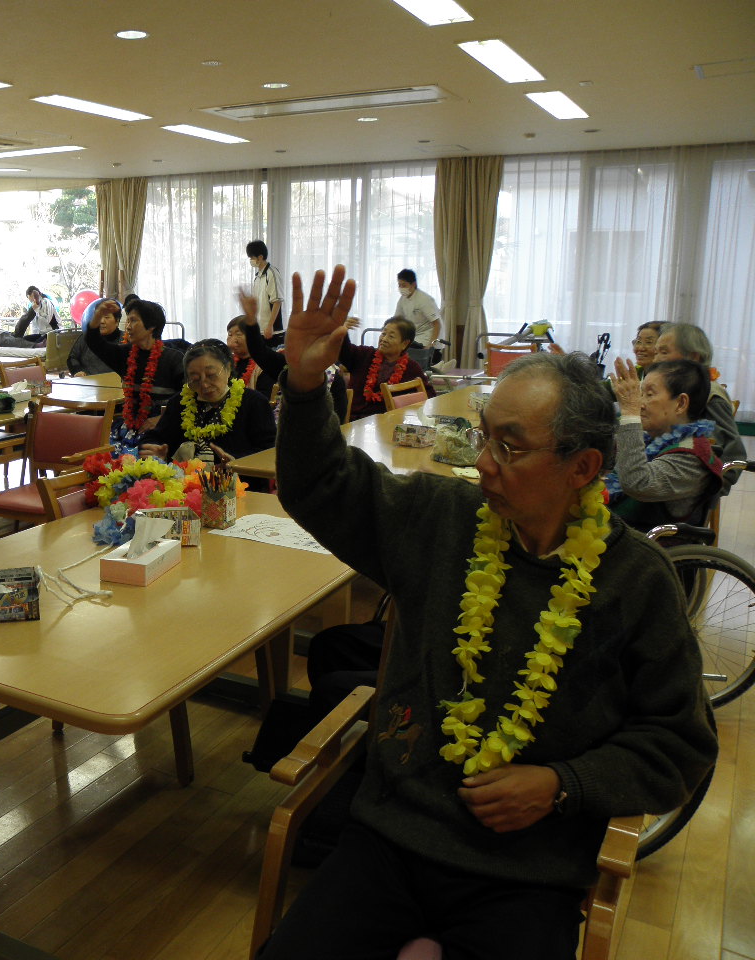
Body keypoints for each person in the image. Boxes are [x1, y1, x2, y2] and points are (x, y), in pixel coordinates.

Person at [260, 264, 717, 959]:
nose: (484, 463)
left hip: (529, 870)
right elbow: (323, 484)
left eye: (510, 446)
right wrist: (302, 385)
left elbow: (680, 743)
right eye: (483, 437)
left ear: (583, 468)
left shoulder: (636, 580)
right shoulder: (440, 517)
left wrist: (563, 785)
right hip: (392, 838)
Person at [607, 357, 724, 530]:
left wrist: (630, 414)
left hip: (645, 541)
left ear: (680, 403)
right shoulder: (653, 437)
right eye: (639, 394)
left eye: (649, 394)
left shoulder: (690, 457)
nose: (640, 403)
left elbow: (636, 482)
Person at [139, 339, 275, 466]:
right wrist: (154, 449)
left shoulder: (254, 402)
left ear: (228, 369)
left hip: (238, 479)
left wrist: (235, 461)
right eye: (195, 379)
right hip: (182, 478)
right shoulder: (180, 402)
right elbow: (155, 437)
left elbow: (269, 450)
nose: (204, 384)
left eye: (211, 375)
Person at [81, 298, 185, 455]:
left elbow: (188, 397)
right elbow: (93, 341)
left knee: (133, 457)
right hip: (129, 426)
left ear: (151, 327)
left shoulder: (174, 359)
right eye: (127, 321)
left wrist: (161, 419)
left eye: (133, 321)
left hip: (160, 430)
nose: (128, 326)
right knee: (99, 453)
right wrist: (98, 314)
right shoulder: (125, 355)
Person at [234, 293, 350, 421]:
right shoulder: (289, 367)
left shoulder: (335, 381)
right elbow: (260, 353)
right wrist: (251, 321)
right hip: (282, 429)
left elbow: (337, 423)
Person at [653, 322, 742, 480]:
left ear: (694, 357)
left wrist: (713, 487)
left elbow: (733, 452)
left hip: (687, 481)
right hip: (663, 470)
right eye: (656, 353)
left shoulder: (710, 395)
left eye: (664, 352)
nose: (656, 360)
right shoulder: (673, 389)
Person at [337, 315, 433, 421]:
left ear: (404, 343)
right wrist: (342, 333)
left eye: (391, 336)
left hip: (387, 422)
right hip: (354, 419)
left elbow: (428, 395)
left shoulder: (411, 368)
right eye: (383, 333)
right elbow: (344, 352)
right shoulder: (365, 355)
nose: (384, 339)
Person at [395, 268, 442, 371]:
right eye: (399, 285)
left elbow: (437, 324)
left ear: (413, 284)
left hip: (428, 337)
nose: (401, 288)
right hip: (415, 338)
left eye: (404, 285)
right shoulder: (402, 299)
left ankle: (439, 368)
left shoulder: (424, 299)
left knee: (422, 369)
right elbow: (397, 320)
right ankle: (439, 368)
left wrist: (430, 345)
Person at [67, 298, 121, 375]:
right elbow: (72, 358)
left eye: (106, 317)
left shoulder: (125, 339)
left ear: (117, 321)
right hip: (88, 380)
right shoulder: (86, 337)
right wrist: (78, 371)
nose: (102, 321)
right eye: (99, 317)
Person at [247, 240, 284, 340]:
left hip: (273, 331)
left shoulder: (272, 273)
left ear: (260, 257)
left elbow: (277, 301)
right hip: (260, 329)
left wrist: (270, 326)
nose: (250, 260)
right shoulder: (257, 277)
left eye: (252, 258)